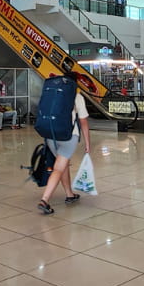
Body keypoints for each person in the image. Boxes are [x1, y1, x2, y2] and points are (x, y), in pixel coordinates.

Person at [37, 74, 91, 214]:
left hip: (51, 136)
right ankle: (45, 200)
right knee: (59, 168)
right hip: (68, 137)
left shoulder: (54, 93)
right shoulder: (77, 97)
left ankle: (69, 195)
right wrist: (87, 143)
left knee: (63, 164)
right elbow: (83, 122)